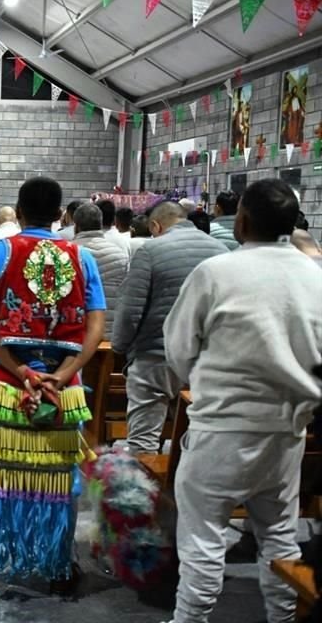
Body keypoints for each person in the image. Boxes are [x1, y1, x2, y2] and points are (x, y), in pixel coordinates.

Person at [163, 179, 322, 623]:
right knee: (279, 535)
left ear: (243, 220)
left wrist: (198, 381)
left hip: (220, 430)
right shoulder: (316, 276)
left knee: (203, 538)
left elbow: (177, 349)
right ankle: (282, 617)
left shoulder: (217, 273)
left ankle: (189, 620)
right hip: (287, 433)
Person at [0, 177, 105, 595]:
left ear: (17, 211)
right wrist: (64, 370)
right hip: (64, 388)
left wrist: (21, 372)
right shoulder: (82, 257)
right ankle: (60, 563)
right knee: (60, 477)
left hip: (5, 385)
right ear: (59, 216)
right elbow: (95, 326)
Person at [111, 202, 227, 454]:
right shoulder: (221, 250)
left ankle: (141, 490)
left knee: (143, 440)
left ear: (155, 225)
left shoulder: (151, 250)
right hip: (205, 360)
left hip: (156, 355)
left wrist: (119, 346)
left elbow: (131, 308)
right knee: (197, 440)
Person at [70, 204, 128, 339]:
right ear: (101, 224)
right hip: (110, 331)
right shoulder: (120, 254)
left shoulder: (66, 253)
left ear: (76, 226)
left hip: (75, 332)